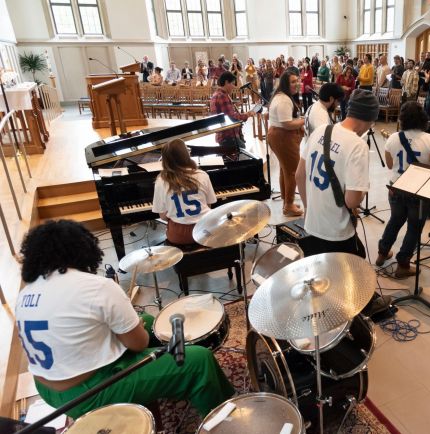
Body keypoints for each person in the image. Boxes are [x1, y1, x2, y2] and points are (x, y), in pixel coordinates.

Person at [16, 220, 234, 420]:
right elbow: (138, 344)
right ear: (82, 251)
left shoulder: (26, 293)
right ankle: (223, 421)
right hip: (88, 392)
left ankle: (168, 376)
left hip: (47, 389)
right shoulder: (95, 287)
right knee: (199, 360)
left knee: (147, 319)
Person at [295, 89, 379, 258]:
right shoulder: (357, 145)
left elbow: (299, 175)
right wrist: (362, 190)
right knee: (348, 274)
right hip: (336, 232)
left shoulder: (322, 130)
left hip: (311, 225)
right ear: (369, 119)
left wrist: (308, 208)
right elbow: (352, 200)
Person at [376, 102, 430, 277]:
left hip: (396, 188)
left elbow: (390, 165)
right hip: (419, 192)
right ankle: (403, 264)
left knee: (395, 220)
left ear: (402, 118)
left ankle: (382, 253)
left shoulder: (393, 138)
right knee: (414, 227)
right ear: (423, 118)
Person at [268, 71, 304, 216]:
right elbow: (287, 123)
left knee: (285, 170)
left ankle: (286, 201)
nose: (297, 84)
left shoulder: (281, 96)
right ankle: (288, 206)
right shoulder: (284, 100)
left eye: (298, 81)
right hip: (283, 137)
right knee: (292, 172)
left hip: (279, 136)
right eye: (293, 82)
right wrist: (304, 120)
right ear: (285, 84)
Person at [210, 72, 255, 148]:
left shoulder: (217, 94)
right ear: (227, 82)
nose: (234, 87)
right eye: (232, 84)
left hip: (224, 136)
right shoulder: (222, 96)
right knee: (243, 157)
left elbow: (226, 113)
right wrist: (247, 114)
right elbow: (231, 117)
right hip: (228, 137)